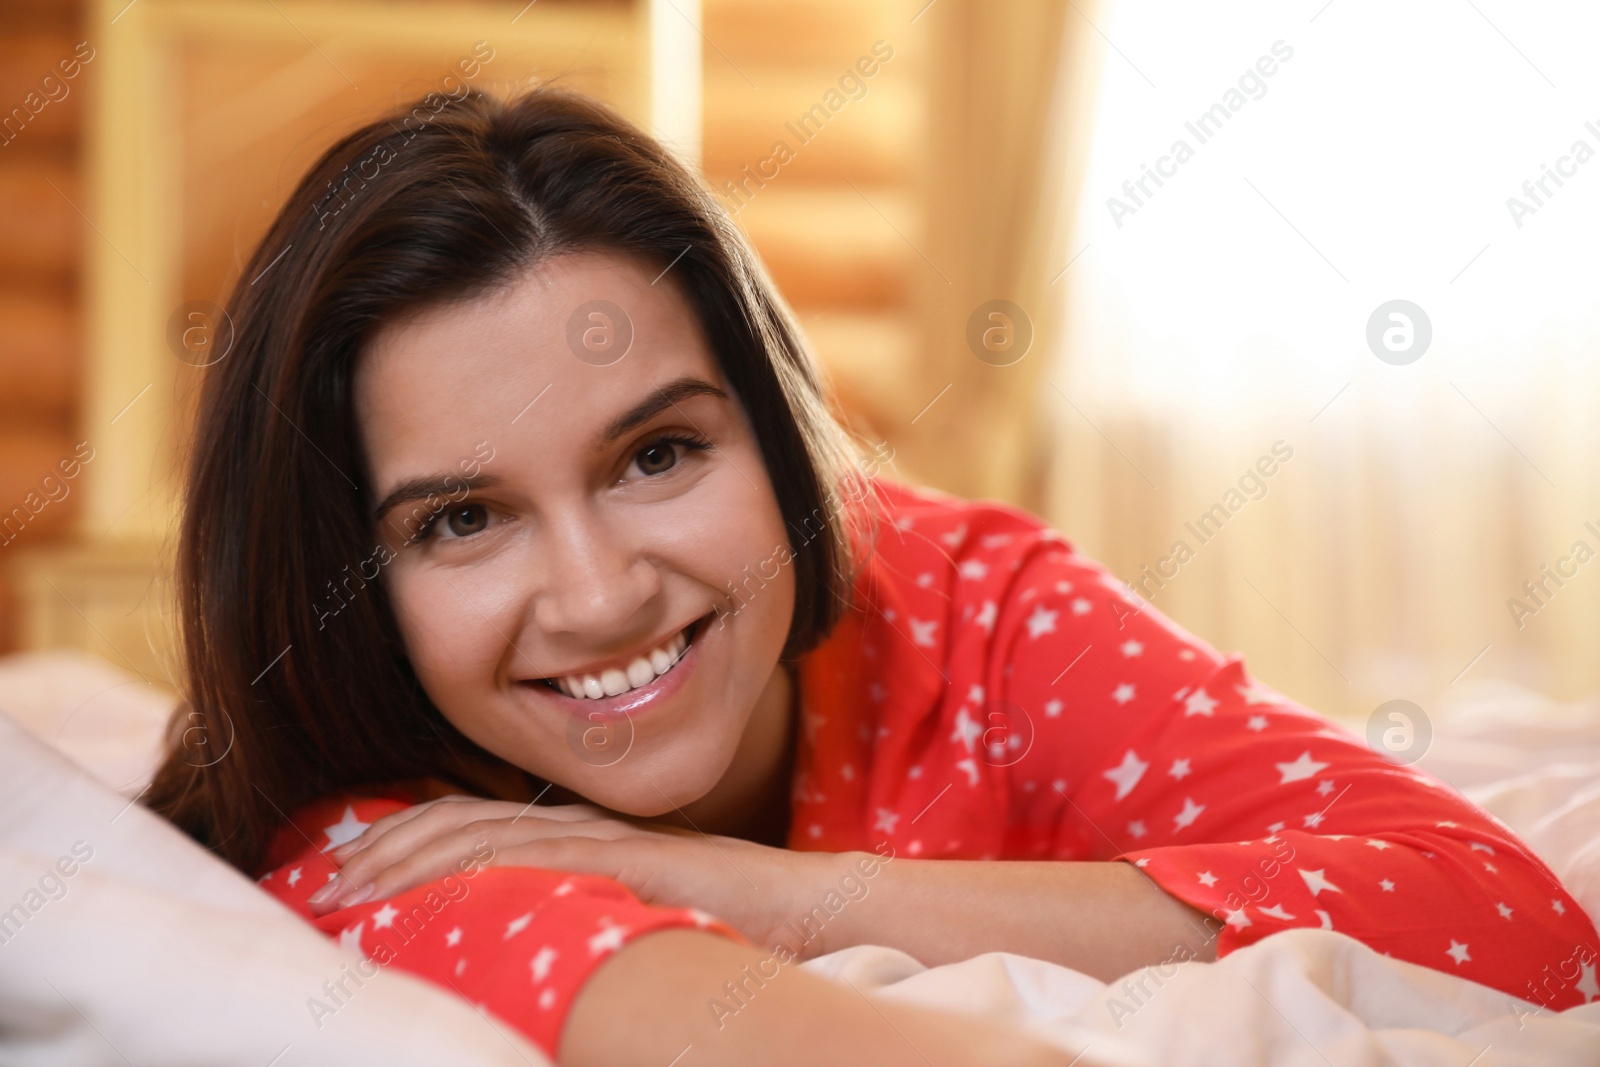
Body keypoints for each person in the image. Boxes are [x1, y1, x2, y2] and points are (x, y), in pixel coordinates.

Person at [145, 87, 1598, 1066]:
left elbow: (1504, 917)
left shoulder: (970, 598)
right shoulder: (379, 822)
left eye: (657, 454)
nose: (597, 597)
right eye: (461, 520)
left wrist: (761, 888)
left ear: (776, 438)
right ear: (348, 576)